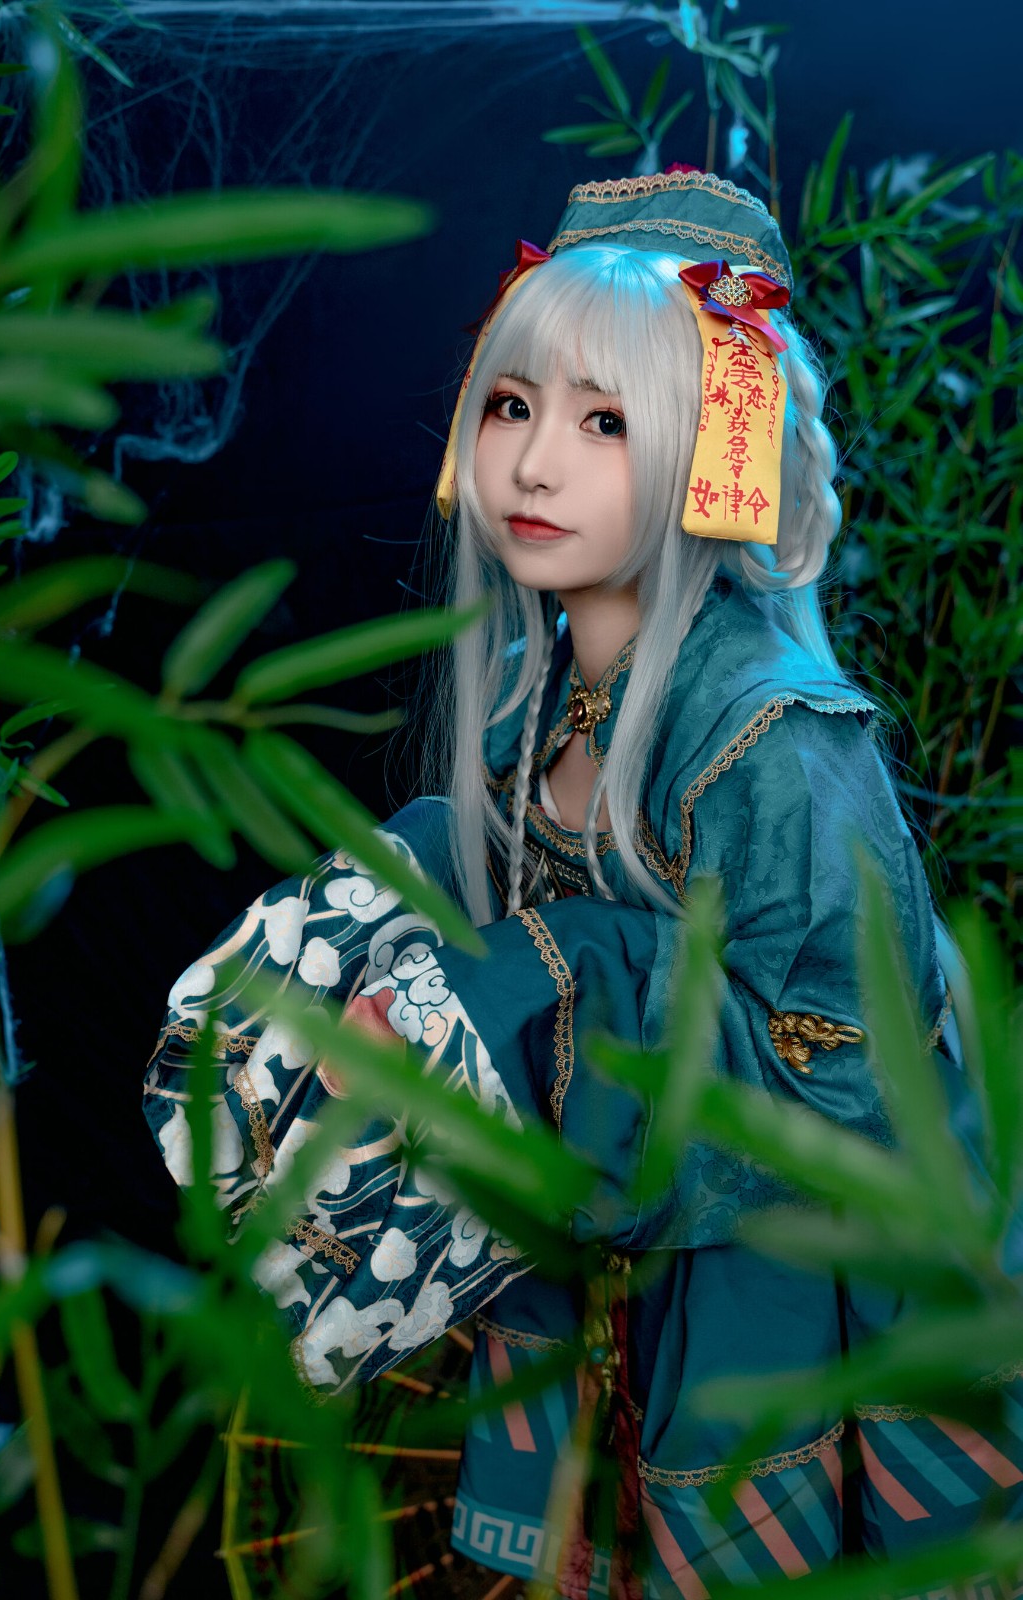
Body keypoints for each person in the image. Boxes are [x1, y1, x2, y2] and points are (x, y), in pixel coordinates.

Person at [144, 170, 1018, 1597]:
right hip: (618, 1252)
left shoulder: (783, 741)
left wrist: (540, 982)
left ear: (713, 446)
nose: (533, 465)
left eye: (604, 421)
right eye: (510, 406)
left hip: (791, 1286)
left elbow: (851, 1083)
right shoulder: (535, 694)